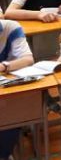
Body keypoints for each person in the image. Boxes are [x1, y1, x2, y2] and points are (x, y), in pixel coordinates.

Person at [0, 18, 35, 158]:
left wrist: (4, 66)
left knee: (14, 111)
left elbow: (27, 59)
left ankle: (4, 153)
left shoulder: (11, 27)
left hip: (8, 90)